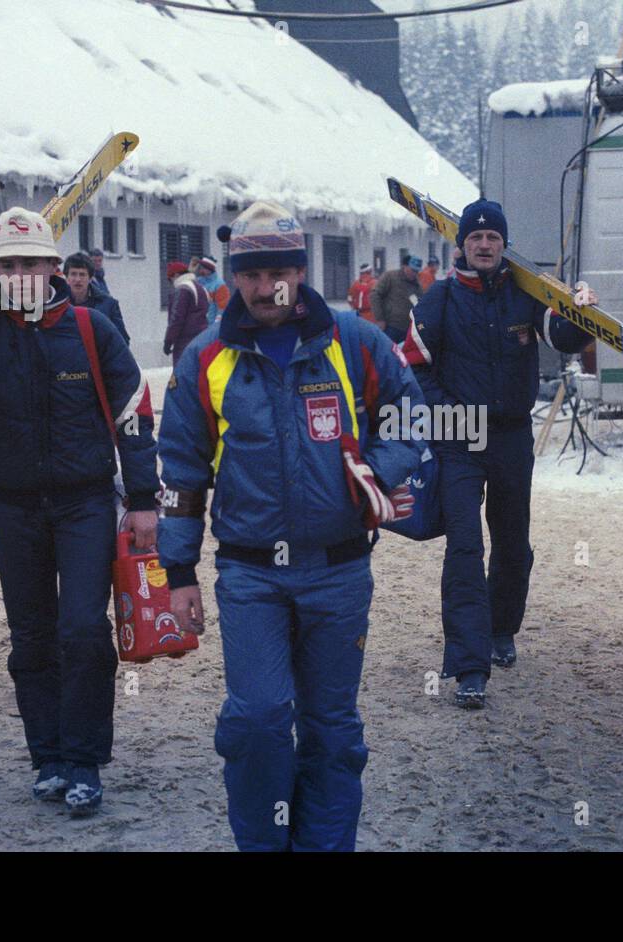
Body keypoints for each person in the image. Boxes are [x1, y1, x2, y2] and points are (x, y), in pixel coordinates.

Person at [157, 200, 424, 851]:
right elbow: (180, 472)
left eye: (279, 269)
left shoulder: (354, 340)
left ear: (300, 272)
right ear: (234, 276)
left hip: (337, 571)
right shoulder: (205, 358)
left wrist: (376, 474)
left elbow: (410, 414)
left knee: (331, 732)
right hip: (249, 575)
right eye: (251, 273)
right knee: (257, 721)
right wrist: (180, 572)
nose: (265, 285)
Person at [0, 206, 159, 815]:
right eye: (6, 265)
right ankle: (46, 755)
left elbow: (133, 411)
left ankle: (84, 760)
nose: (18, 274)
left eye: (30, 262)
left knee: (82, 628)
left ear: (54, 266)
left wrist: (146, 498)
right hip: (15, 504)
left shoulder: (90, 328)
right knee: (31, 635)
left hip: (85, 503)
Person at [402, 200, 595, 709]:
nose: (484, 245)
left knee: (513, 543)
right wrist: (451, 414)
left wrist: (582, 309)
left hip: (511, 438)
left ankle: (502, 627)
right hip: (459, 443)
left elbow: (564, 336)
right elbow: (413, 370)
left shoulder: (525, 296)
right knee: (465, 547)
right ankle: (468, 666)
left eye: (493, 238)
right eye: (475, 238)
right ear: (461, 244)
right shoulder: (438, 300)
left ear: (502, 244)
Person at [64, 251, 131, 345]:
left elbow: (122, 341)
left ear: (91, 278)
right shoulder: (57, 304)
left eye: (82, 274)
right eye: (73, 274)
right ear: (67, 277)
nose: (78, 279)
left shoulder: (109, 305)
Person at [164, 258, 209, 367]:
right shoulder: (200, 288)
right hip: (202, 338)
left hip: (184, 342)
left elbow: (176, 319)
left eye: (170, 279)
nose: (171, 283)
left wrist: (168, 341)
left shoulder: (182, 290)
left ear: (176, 275)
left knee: (180, 377)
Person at [372, 254, 423, 345]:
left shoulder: (417, 286)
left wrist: (421, 327)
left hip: (407, 331)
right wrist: (380, 319)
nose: (414, 274)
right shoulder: (390, 277)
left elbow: (420, 309)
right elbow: (375, 295)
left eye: (417, 271)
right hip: (389, 327)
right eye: (412, 270)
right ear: (405, 266)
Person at [194, 255, 231, 327]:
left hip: (210, 326)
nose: (200, 270)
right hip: (198, 325)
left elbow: (222, 308)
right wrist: (191, 271)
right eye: (200, 267)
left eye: (203, 268)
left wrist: (216, 326)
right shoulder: (198, 281)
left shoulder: (219, 284)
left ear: (209, 270)